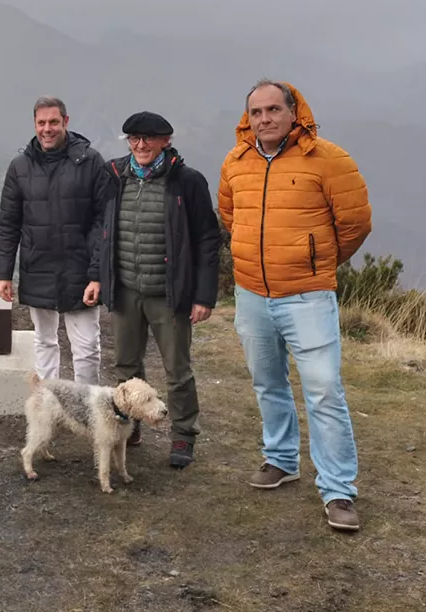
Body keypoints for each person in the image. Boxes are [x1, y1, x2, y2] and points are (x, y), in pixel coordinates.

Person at [218, 79, 372, 533]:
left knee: (323, 389)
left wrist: (316, 260)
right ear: (248, 118)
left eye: (273, 109)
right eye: (256, 112)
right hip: (251, 293)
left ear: (294, 111)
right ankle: (281, 460)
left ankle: (339, 489)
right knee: (267, 382)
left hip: (307, 295)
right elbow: (229, 216)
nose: (264, 119)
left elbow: (356, 223)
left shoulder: (329, 159)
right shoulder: (235, 161)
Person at [95, 111, 221, 468]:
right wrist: (100, 276)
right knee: (126, 366)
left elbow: (208, 240)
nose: (140, 145)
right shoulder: (115, 175)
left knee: (177, 370)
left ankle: (182, 435)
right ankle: (130, 425)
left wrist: (203, 295)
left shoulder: (187, 181)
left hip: (170, 294)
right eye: (134, 138)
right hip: (126, 290)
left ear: (166, 141)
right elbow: (101, 227)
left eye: (149, 138)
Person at [0, 96, 109, 385]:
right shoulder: (19, 167)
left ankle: (86, 411)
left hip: (80, 271)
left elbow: (104, 221)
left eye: (54, 122)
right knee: (44, 342)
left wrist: (97, 273)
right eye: (42, 123)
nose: (48, 129)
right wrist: (4, 273)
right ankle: (49, 407)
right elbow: (9, 223)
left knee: (85, 349)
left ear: (66, 122)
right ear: (34, 124)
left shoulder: (91, 161)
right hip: (38, 267)